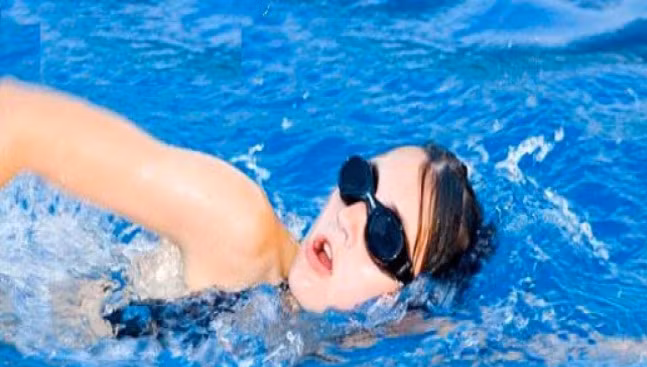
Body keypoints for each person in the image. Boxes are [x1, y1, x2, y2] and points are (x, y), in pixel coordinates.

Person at [0, 77, 486, 315]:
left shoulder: (326, 351)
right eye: (359, 182)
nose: (349, 217)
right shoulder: (237, 227)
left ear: (405, 303)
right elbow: (16, 121)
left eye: (385, 234)